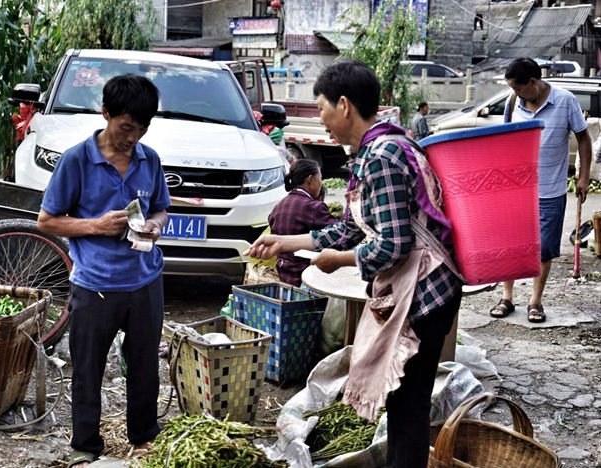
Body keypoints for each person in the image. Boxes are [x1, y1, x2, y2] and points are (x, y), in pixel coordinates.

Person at [244, 60, 462, 468]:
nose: (320, 118)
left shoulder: (382, 156)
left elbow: (391, 246)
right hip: (416, 292)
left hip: (425, 296)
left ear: (344, 105)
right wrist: (283, 242)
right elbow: (348, 229)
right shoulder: (378, 150)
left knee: (408, 408)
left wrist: (338, 261)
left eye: (321, 106)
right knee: (401, 406)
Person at [37, 74, 170, 468]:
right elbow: (47, 221)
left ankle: (143, 436)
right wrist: (96, 225)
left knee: (144, 364)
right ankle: (86, 446)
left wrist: (156, 226)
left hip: (145, 279)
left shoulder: (150, 160)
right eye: (126, 127)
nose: (133, 137)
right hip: (94, 283)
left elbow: (161, 206)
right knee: (88, 367)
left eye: (142, 129)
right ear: (106, 113)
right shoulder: (76, 160)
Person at [490, 57, 591, 323]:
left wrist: (583, 177)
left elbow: (583, 138)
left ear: (533, 82)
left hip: (551, 190)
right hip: (516, 190)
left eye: (518, 87)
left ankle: (535, 301)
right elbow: (506, 141)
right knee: (511, 245)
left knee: (544, 249)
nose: (515, 93)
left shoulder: (566, 101)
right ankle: (507, 297)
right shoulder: (514, 104)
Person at [267, 159, 336, 286]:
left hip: (284, 274)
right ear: (310, 179)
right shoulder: (314, 207)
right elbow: (339, 235)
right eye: (320, 178)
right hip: (305, 277)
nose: (321, 183)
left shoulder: (280, 205)